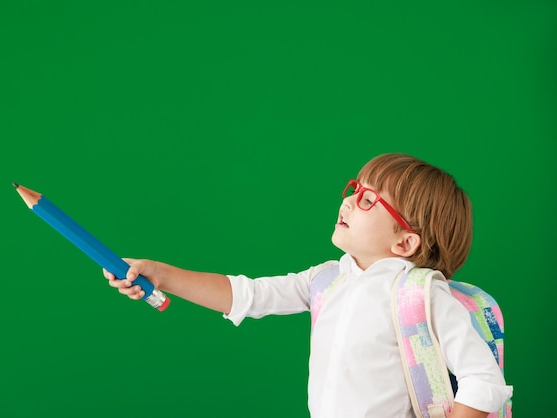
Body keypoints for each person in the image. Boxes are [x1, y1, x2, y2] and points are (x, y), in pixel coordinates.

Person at [103, 153, 513, 418]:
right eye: (355, 189)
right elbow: (248, 295)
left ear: (404, 242)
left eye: (370, 200)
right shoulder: (327, 279)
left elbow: (484, 382)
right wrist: (160, 274)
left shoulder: (423, 294)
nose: (349, 201)